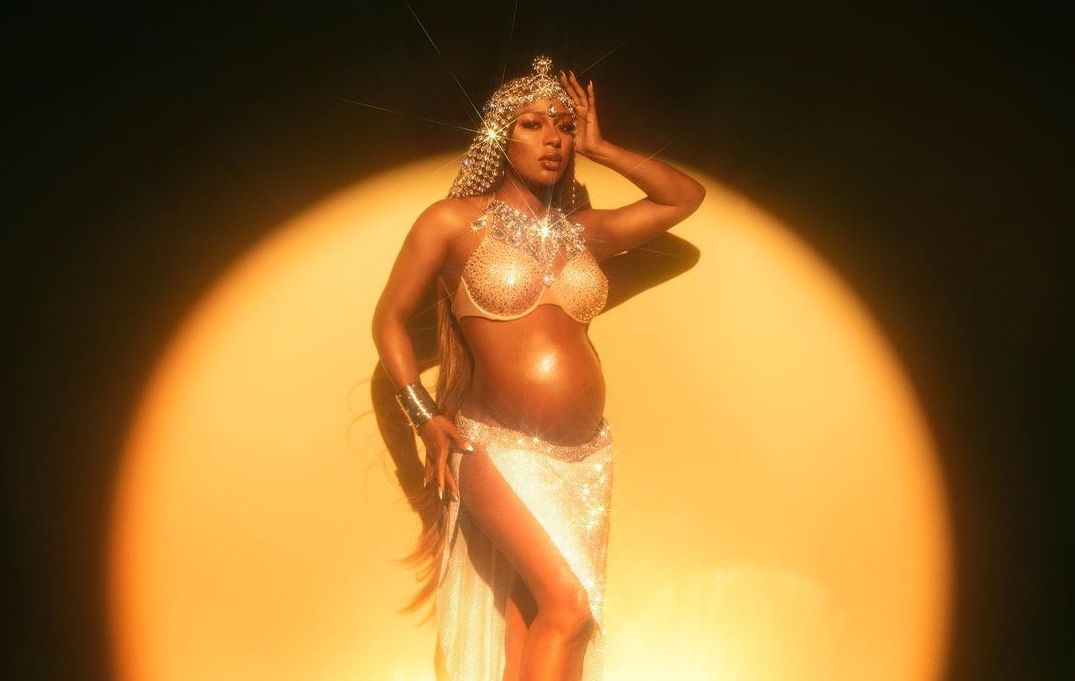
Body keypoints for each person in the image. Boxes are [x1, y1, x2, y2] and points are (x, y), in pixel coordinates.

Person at [372, 55, 705, 681]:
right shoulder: (452, 222)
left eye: (564, 126)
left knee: (538, 623)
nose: (553, 137)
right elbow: (388, 319)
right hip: (496, 447)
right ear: (501, 135)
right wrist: (423, 416)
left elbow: (684, 197)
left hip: (585, 458)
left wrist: (602, 147)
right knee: (568, 608)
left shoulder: (586, 232)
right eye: (533, 123)